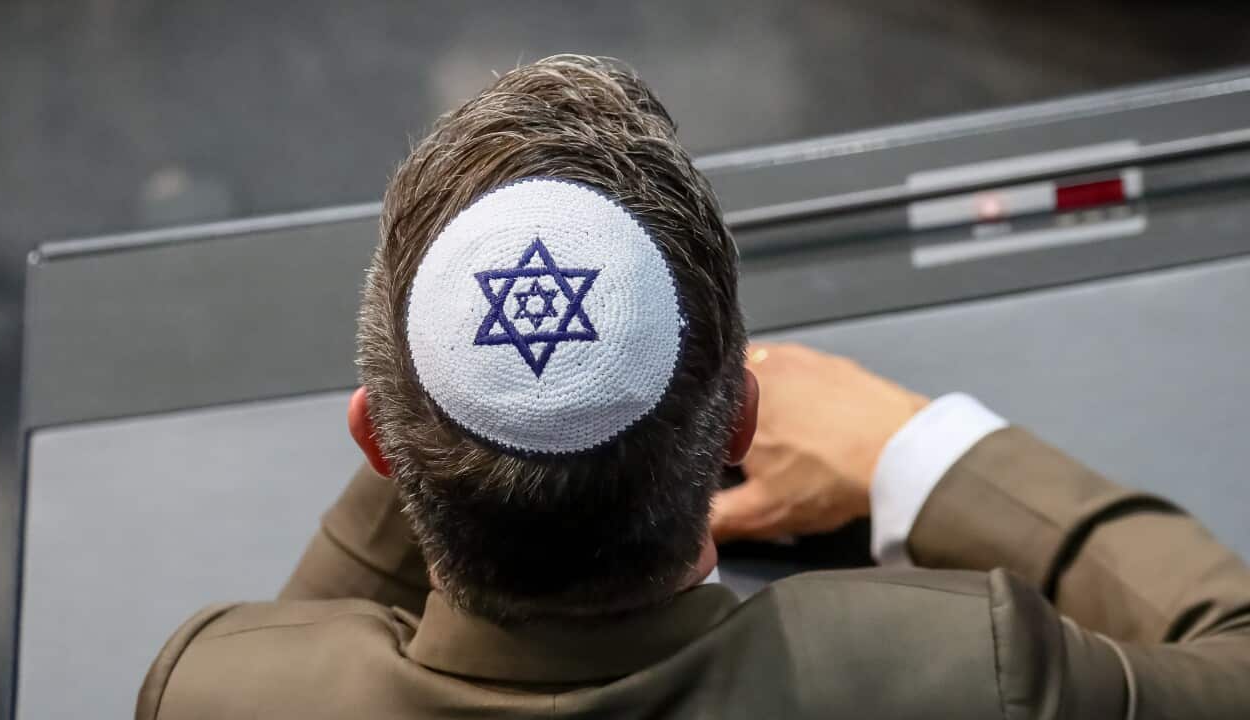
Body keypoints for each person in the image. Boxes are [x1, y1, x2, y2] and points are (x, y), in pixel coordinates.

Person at [137, 56, 1250, 719]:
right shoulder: (960, 674)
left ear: (370, 438)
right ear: (743, 424)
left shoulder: (212, 693)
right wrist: (915, 450)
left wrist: (464, 415)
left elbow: (292, 657)